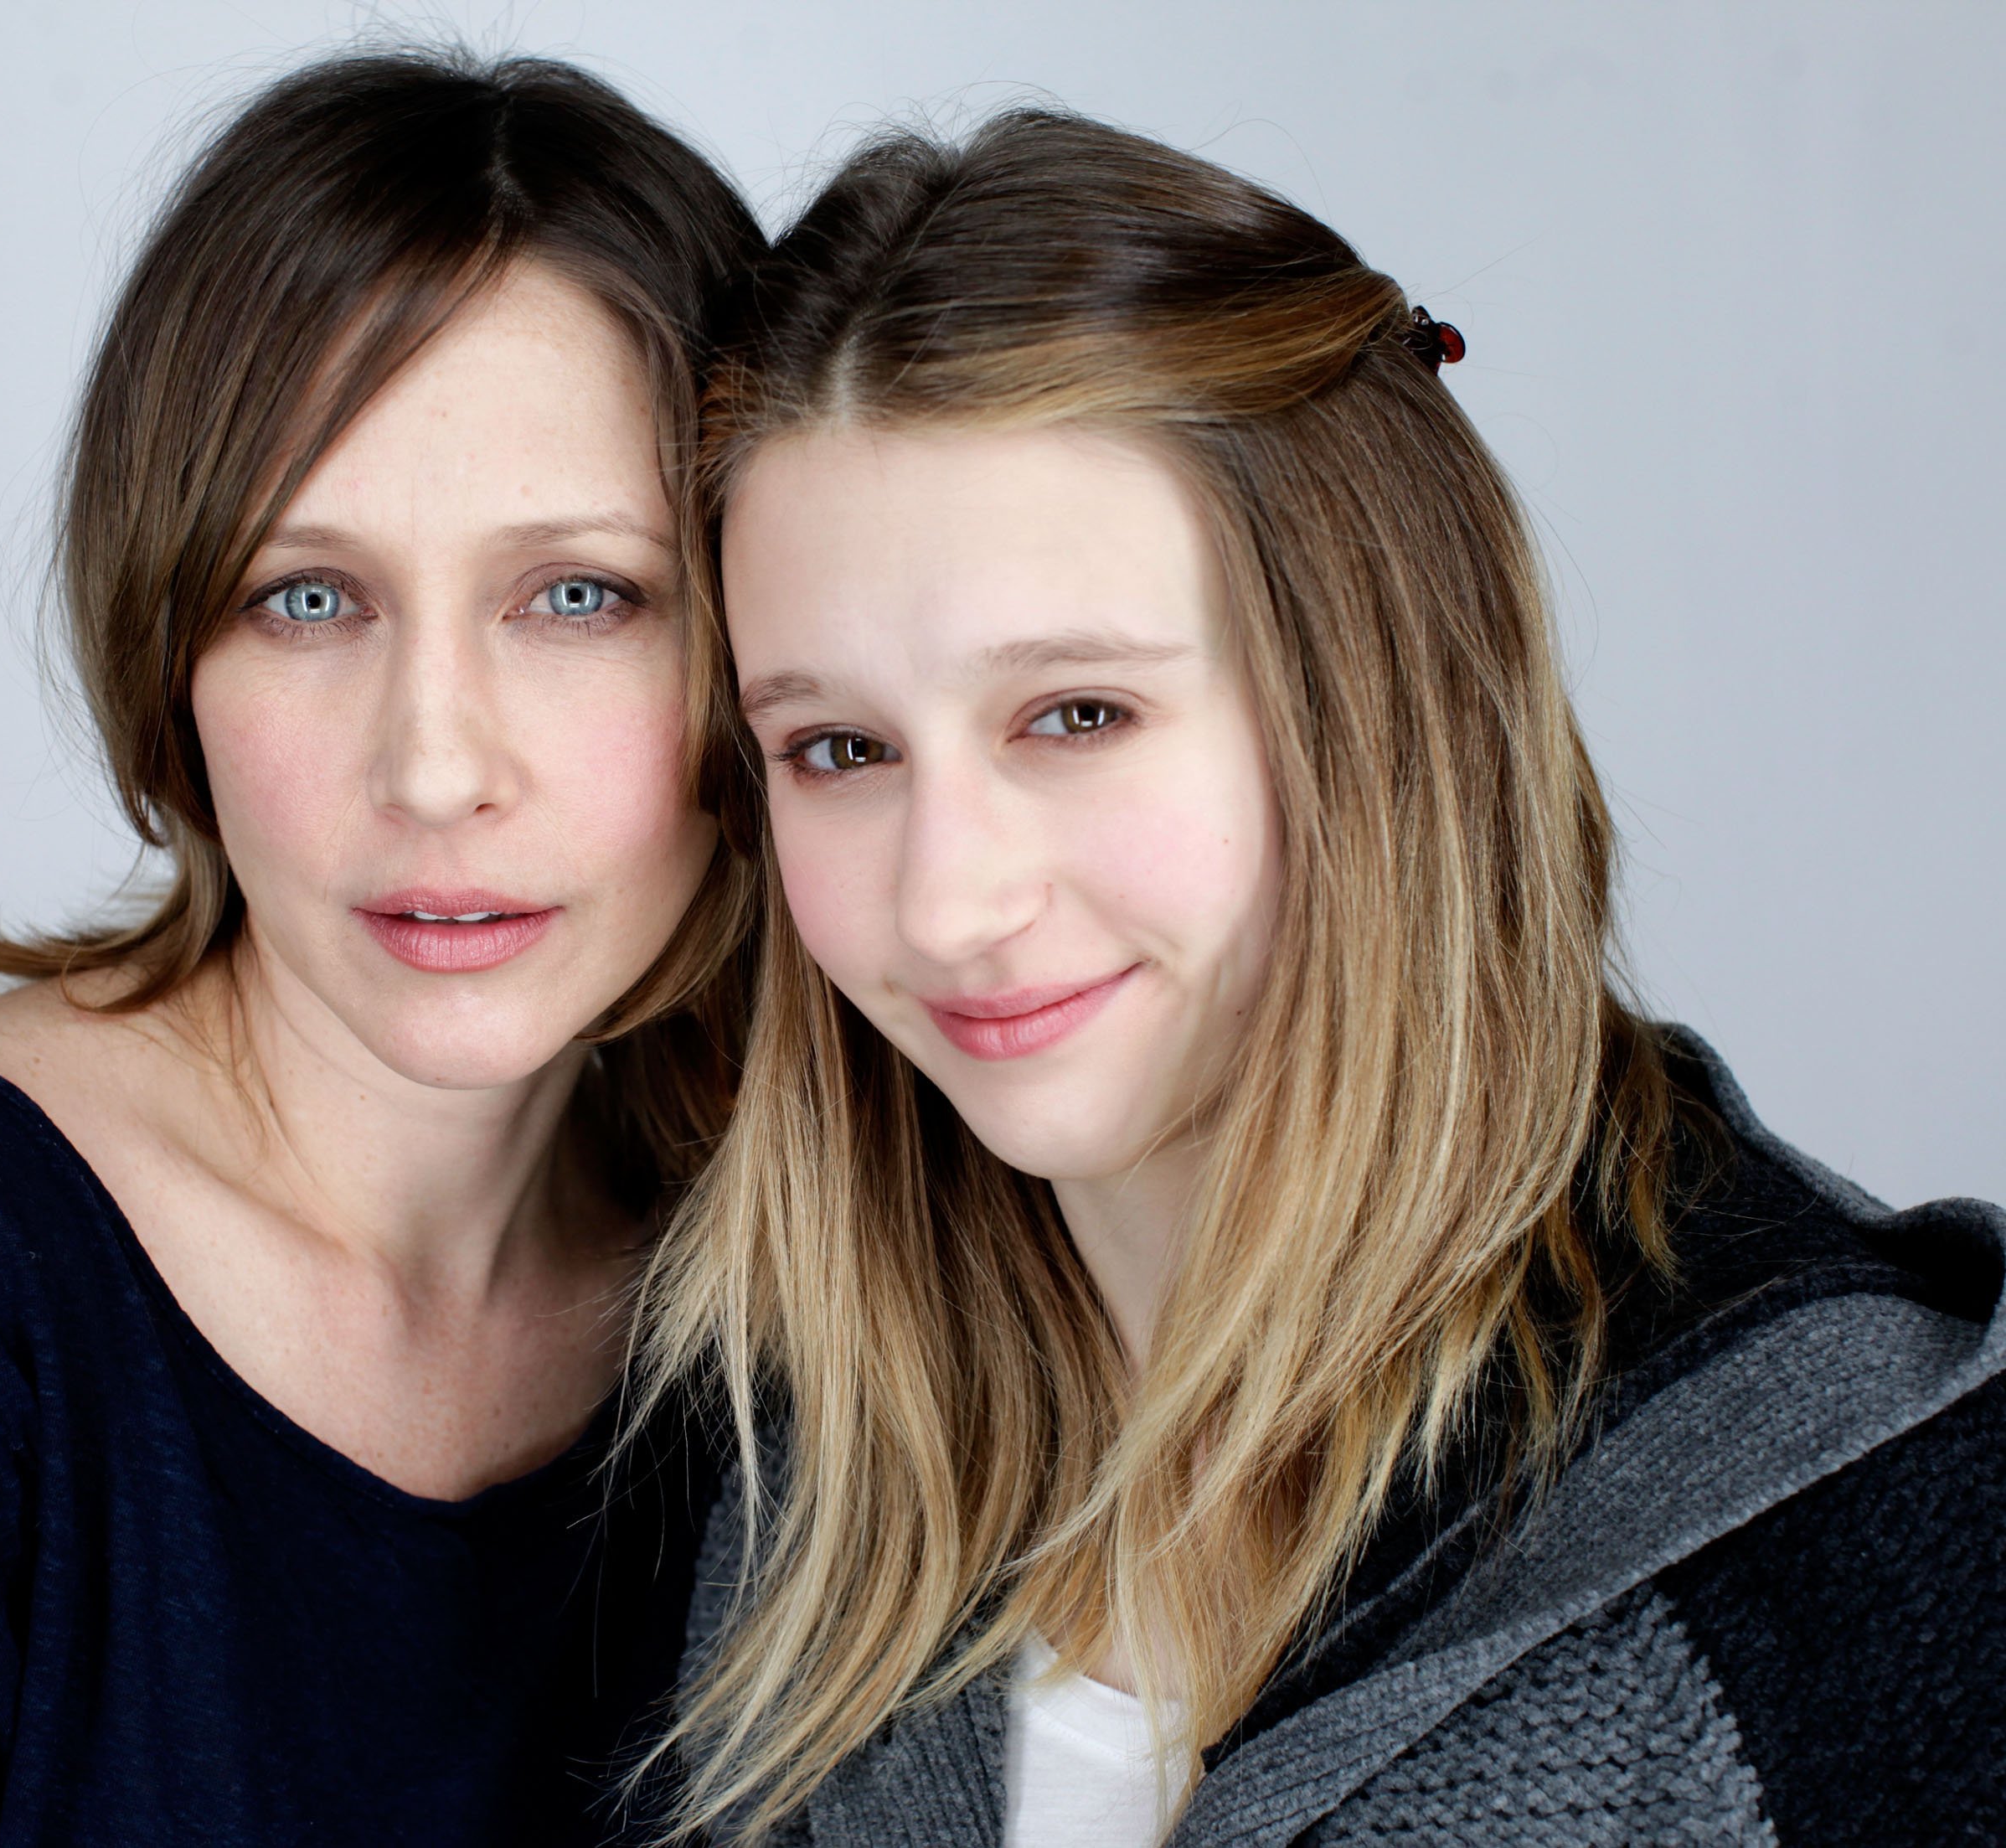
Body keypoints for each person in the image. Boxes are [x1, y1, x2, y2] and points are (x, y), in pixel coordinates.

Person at [639, 109, 2005, 1845]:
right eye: (837, 746)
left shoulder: (1881, 1508)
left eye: (1077, 713)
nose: (950, 900)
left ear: (1377, 706)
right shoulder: (794, 1497)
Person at [0, 50, 764, 1846]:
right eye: (305, 598)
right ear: (167, 647)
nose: (434, 764)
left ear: (751, 647)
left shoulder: (781, 1307)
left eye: (578, 595)